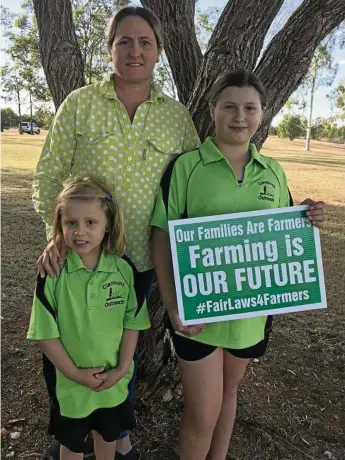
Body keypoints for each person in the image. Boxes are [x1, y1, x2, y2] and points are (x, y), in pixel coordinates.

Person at [32, 6, 199, 459]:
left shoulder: (177, 119)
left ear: (159, 52)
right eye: (124, 41)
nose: (134, 50)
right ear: (109, 49)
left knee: (124, 350)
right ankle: (69, 433)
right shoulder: (80, 104)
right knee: (66, 348)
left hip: (138, 264)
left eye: (145, 42)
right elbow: (48, 176)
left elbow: (195, 186)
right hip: (76, 258)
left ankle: (116, 433)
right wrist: (57, 237)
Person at [150, 70, 325, 460]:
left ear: (263, 114)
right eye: (229, 106)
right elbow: (161, 235)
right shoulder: (186, 167)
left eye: (250, 108)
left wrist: (307, 216)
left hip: (249, 315)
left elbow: (282, 233)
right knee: (201, 415)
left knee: (229, 396)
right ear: (212, 110)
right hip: (197, 317)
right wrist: (172, 304)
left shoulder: (274, 171)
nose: (239, 116)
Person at [27, 177, 150, 460]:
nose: (79, 232)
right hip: (71, 387)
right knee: (71, 446)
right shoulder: (53, 274)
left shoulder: (123, 270)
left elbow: (133, 324)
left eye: (90, 223)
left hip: (112, 385)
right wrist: (75, 374)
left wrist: (120, 370)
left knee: (107, 438)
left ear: (108, 224)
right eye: (71, 223)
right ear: (60, 225)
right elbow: (45, 335)